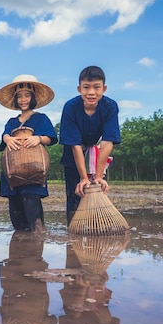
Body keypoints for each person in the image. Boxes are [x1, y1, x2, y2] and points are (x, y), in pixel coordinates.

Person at [59, 65, 121, 224]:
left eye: (96, 87)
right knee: (75, 194)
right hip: (74, 154)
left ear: (104, 88)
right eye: (86, 87)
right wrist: (83, 177)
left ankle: (95, 225)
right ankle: (73, 230)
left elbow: (108, 141)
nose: (91, 92)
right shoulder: (71, 107)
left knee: (97, 189)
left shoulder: (110, 106)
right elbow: (75, 144)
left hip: (96, 153)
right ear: (79, 89)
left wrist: (98, 176)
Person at [0, 74, 58, 232]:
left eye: (27, 95)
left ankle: (36, 248)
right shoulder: (11, 122)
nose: (23, 99)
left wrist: (39, 138)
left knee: (33, 212)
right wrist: (8, 138)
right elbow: (4, 137)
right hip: (13, 173)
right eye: (20, 96)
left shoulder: (41, 119)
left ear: (34, 97)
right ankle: (20, 249)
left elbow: (51, 138)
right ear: (15, 99)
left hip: (33, 171)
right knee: (16, 215)